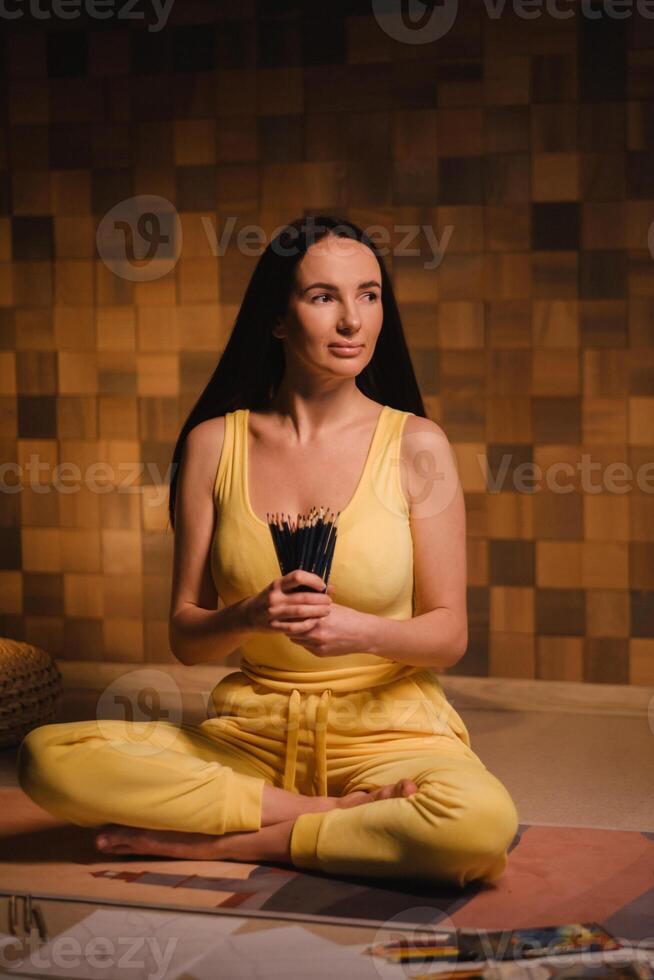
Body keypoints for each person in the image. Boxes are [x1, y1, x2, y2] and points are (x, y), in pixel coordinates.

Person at [17, 216, 519, 887]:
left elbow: (448, 634)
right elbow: (187, 638)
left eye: (369, 295)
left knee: (478, 824)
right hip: (247, 740)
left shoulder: (417, 445)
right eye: (324, 297)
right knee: (50, 759)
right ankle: (322, 814)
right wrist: (248, 616)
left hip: (388, 736)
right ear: (277, 320)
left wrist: (356, 631)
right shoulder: (213, 446)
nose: (353, 321)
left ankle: (234, 844)